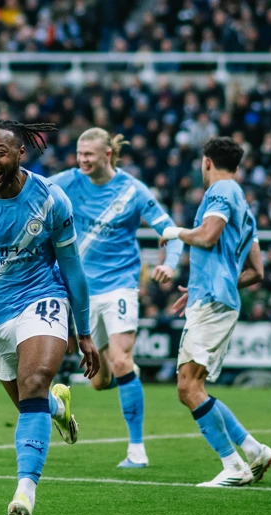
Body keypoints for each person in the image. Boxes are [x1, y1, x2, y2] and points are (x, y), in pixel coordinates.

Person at [0, 120, 100, 515]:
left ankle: (24, 493)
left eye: (0, 152)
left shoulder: (50, 200)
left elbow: (73, 269)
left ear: (20, 155)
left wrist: (83, 332)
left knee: (35, 381)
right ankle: (57, 407)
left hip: (42, 298)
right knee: (31, 403)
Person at [50, 128, 183, 469]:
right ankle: (126, 378)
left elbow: (170, 231)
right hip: (81, 291)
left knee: (122, 361)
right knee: (100, 381)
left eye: (88, 155)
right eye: (79, 154)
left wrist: (171, 263)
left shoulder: (133, 191)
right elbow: (29, 189)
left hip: (120, 286)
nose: (81, 161)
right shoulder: (66, 181)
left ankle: (136, 450)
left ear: (107, 155)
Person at [160, 137, 271, 487]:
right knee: (193, 385)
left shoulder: (221, 191)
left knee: (188, 387)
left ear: (206, 162)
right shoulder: (244, 204)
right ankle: (254, 451)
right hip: (214, 298)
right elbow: (256, 271)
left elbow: (209, 236)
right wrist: (203, 287)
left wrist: (175, 231)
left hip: (212, 302)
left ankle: (234, 466)